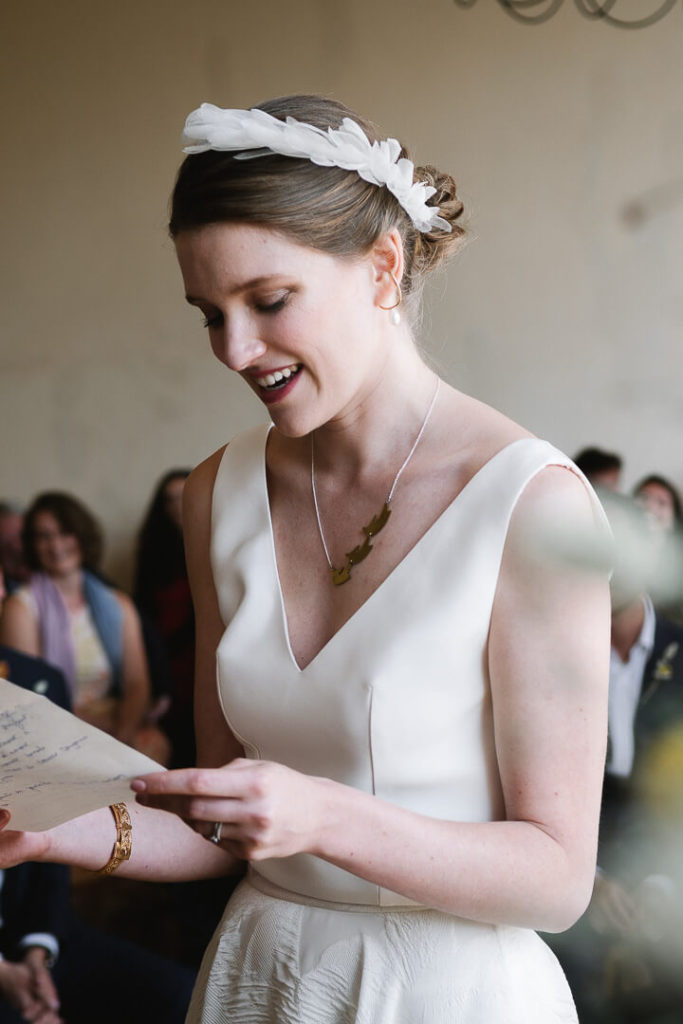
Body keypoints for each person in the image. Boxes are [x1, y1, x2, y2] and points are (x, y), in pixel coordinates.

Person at [0, 95, 611, 1023]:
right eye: (209, 314)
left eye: (268, 300)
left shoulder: (531, 504)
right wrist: (53, 831)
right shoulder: (216, 493)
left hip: (445, 993)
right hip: (260, 974)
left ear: (381, 267)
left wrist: (322, 815)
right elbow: (220, 826)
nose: (234, 350)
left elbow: (556, 881)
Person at [547, 493, 683, 1023]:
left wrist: (660, 884)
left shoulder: (679, 648)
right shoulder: (553, 655)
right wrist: (593, 876)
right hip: (577, 846)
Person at [0, 491, 160, 757]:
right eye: (44, 536)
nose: (56, 545)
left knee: (154, 747)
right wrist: (94, 733)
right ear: (31, 544)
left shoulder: (118, 604)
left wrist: (122, 734)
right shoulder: (20, 606)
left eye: (65, 532)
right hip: (55, 725)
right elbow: (28, 696)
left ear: (82, 536)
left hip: (116, 721)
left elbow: (137, 685)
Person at [134, 469, 196, 767]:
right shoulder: (153, 554)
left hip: (205, 658)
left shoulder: (221, 543)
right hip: (166, 663)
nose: (177, 506)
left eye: (183, 497)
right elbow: (143, 617)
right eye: (169, 500)